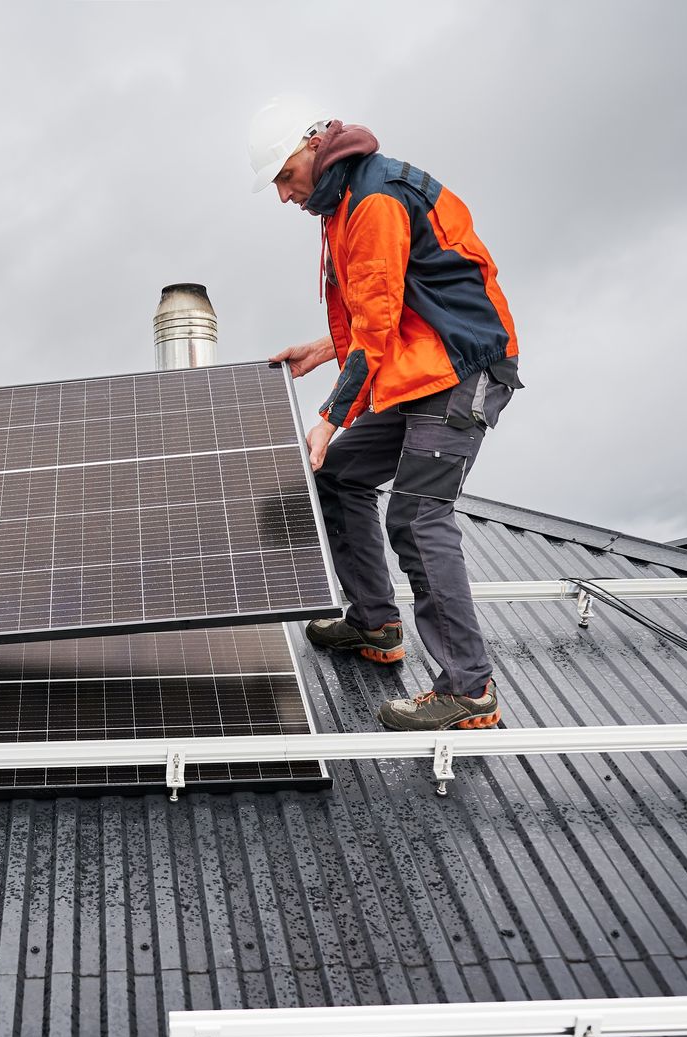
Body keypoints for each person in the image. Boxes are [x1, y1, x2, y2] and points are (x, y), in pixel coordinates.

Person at [251, 97, 519, 732]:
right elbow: (390, 301)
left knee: (420, 516)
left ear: (311, 147)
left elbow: (375, 325)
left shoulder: (373, 200)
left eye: (284, 177)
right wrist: (324, 348)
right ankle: (374, 621)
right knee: (339, 475)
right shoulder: (343, 198)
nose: (284, 196)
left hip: (462, 370)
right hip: (419, 365)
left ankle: (468, 687)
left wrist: (330, 414)